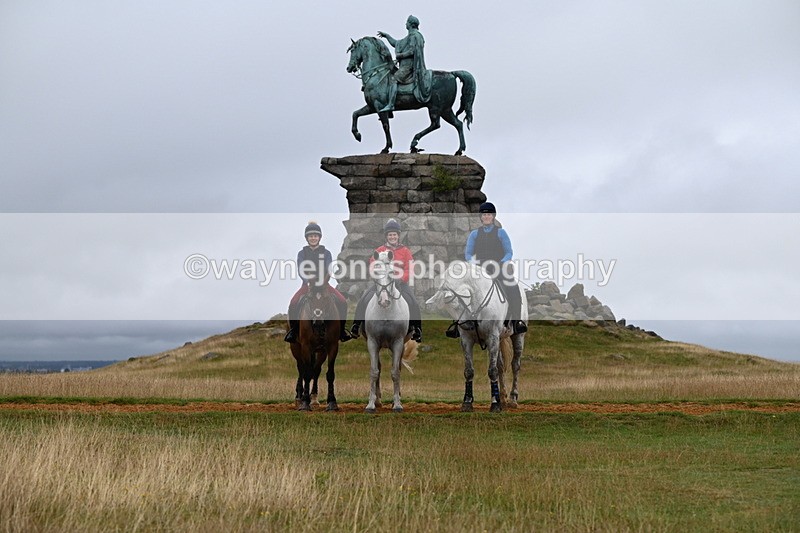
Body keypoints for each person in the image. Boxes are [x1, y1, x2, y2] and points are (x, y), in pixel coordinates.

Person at [349, 218, 423, 342]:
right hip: (381, 283)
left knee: (412, 301)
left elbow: (410, 268)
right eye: (390, 235)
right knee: (364, 298)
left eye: (394, 234)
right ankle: (356, 326)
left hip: (400, 284)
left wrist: (401, 279)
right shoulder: (379, 251)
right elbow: (372, 266)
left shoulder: (405, 251)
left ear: (398, 236)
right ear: (386, 236)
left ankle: (417, 329)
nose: (392, 237)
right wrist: (378, 277)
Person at [462, 202, 528, 334]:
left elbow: (509, 252)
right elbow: (468, 254)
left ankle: (516, 322)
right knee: (463, 289)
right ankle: (462, 322)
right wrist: (473, 264)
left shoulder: (501, 233)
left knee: (513, 287)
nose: (486, 217)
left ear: (493, 216)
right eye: (484, 214)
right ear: (481, 217)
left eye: (489, 214)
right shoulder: (474, 234)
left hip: (498, 267)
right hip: (480, 269)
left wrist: (502, 262)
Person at [284, 222, 351, 344]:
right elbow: (301, 270)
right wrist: (309, 281)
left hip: (324, 285)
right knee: (293, 303)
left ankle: (341, 331)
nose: (313, 238)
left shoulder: (326, 253)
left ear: (319, 237)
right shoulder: (302, 253)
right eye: (310, 236)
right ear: (307, 238)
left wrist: (324, 282)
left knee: (342, 301)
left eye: (315, 236)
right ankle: (293, 331)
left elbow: (329, 269)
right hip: (308, 285)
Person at [377, 15, 433, 113]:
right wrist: (387, 36)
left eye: (407, 22)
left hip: (409, 67)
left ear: (410, 24)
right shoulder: (410, 36)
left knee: (393, 79)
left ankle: (390, 105)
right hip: (404, 66)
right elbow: (396, 43)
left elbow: (412, 51)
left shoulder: (414, 36)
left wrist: (400, 55)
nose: (405, 24)